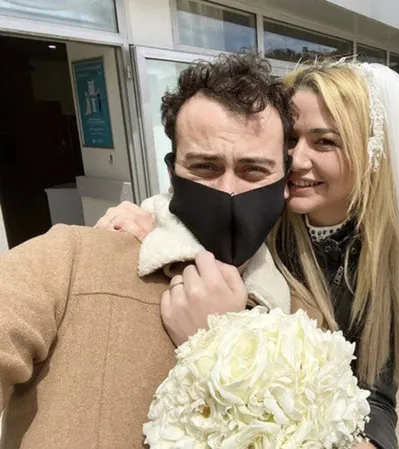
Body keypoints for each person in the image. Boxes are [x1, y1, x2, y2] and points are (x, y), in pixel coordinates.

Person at [101, 59, 399, 449]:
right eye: (290, 141)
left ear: (368, 153)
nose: (298, 160)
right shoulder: (260, 219)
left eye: (325, 142)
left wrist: (371, 442)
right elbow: (198, 200)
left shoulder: (392, 262)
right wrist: (152, 218)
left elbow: (376, 393)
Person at [0, 53, 295, 449]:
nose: (228, 190)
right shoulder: (71, 261)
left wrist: (221, 341)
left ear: (286, 182)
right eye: (205, 167)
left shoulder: (303, 316)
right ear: (173, 175)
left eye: (253, 170)